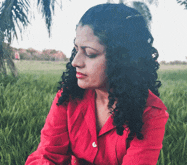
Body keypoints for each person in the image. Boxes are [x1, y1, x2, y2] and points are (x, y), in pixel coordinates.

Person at [25, 3, 169, 165]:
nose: (75, 62)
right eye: (76, 49)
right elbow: (46, 155)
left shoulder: (149, 112)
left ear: (122, 59)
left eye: (90, 53)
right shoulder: (68, 96)